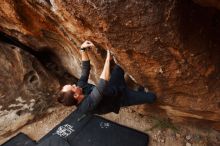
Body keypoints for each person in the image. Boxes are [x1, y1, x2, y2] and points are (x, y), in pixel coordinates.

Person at [58, 40, 156, 115]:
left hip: (112, 86)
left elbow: (85, 71)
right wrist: (107, 60)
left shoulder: (80, 87)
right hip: (119, 99)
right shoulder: (86, 107)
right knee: (152, 97)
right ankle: (139, 93)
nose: (75, 85)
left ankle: (136, 91)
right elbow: (101, 85)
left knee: (119, 65)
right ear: (76, 96)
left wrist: (82, 49)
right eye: (73, 87)